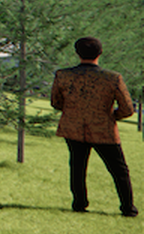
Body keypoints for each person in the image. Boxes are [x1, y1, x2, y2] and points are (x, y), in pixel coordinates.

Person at [50, 36, 137, 217]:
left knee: (77, 166)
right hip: (103, 129)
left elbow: (56, 102)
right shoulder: (113, 78)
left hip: (73, 128)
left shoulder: (63, 75)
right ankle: (128, 208)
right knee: (119, 170)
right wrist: (112, 116)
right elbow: (128, 108)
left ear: (77, 53)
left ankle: (79, 203)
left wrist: (73, 112)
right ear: (100, 52)